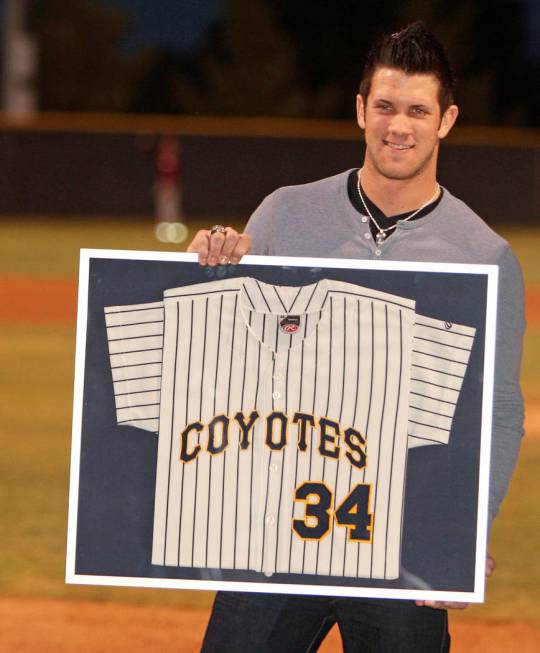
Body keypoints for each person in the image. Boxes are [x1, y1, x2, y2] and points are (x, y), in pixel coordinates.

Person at [187, 21, 524, 653]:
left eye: (418, 110)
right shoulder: (285, 212)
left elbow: (499, 407)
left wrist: (468, 531)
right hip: (277, 529)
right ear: (361, 109)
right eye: (387, 106)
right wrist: (209, 273)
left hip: (404, 539)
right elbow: (225, 358)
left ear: (446, 119)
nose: (400, 126)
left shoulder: (485, 253)